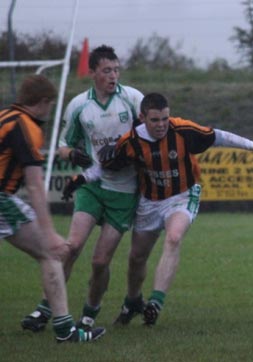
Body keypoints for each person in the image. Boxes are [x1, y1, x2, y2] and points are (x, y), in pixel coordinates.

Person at [93, 92, 253, 326]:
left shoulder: (182, 130)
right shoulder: (130, 142)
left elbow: (219, 136)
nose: (161, 125)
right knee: (136, 257)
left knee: (173, 238)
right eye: (155, 120)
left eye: (164, 118)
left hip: (182, 195)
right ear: (142, 118)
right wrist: (86, 173)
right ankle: (132, 301)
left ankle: (155, 303)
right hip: (149, 201)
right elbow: (105, 165)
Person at [21, 45, 144, 332]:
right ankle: (44, 309)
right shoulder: (79, 105)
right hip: (92, 186)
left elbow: (152, 134)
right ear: (92, 73)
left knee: (100, 262)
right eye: (106, 71)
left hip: (123, 192)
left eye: (116, 69)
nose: (113, 76)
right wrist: (74, 155)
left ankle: (89, 314)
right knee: (71, 247)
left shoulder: (132, 99)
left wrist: (132, 153)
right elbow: (63, 146)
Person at [0, 74, 105, 342]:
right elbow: (35, 186)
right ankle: (65, 329)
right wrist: (48, 233)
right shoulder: (26, 127)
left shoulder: (4, 117)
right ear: (44, 102)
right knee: (51, 254)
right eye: (50, 103)